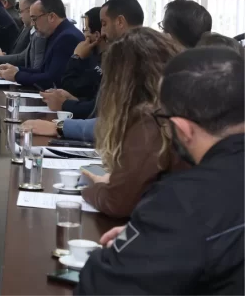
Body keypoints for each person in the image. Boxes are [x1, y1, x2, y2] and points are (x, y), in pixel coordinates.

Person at [77, 47, 243, 295]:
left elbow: (99, 287)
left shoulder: (183, 202)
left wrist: (149, 239)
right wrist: (152, 238)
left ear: (182, 129)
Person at [80, 28, 186, 218]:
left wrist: (92, 189)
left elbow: (117, 202)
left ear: (120, 81)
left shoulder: (150, 120)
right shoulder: (182, 107)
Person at [26, 0, 145, 141]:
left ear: (120, 22)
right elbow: (99, 104)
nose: (102, 33)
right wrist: (74, 100)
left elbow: (111, 120)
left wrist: (60, 124)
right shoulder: (126, 54)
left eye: (104, 24)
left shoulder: (134, 59)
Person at [0, 0, 84, 88]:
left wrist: (16, 76)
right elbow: (43, 71)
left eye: (34, 19)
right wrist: (16, 70)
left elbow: (52, 79)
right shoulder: (57, 33)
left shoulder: (67, 38)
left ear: (51, 17)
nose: (32, 24)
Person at [42, 7, 104, 119]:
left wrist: (76, 57)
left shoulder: (98, 61)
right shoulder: (92, 56)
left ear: (97, 35)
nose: (84, 35)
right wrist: (73, 99)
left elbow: (70, 86)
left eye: (86, 29)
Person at [0, 0, 45, 69]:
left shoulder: (40, 33)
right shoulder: (26, 28)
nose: (19, 15)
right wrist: (1, 56)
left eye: (20, 11)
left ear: (30, 10)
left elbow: (24, 61)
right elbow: (19, 55)